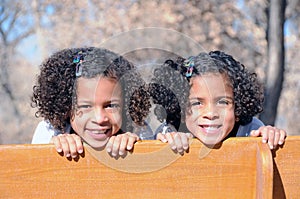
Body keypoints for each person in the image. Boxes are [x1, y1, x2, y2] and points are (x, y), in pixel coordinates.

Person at [31, 47, 150, 158]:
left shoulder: (138, 130)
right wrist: (52, 148)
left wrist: (136, 146)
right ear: (65, 107)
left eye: (110, 106)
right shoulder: (49, 131)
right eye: (85, 106)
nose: (100, 119)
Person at [153, 51, 286, 150]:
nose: (211, 114)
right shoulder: (170, 132)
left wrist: (270, 136)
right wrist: (168, 141)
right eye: (197, 103)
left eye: (223, 102)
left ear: (238, 108)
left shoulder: (251, 130)